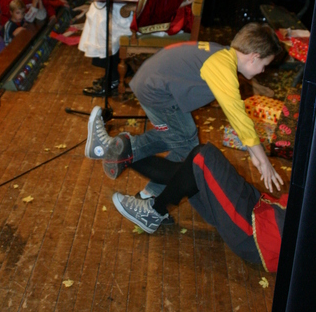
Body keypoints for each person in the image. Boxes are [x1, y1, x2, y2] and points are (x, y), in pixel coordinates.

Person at [86, 23, 284, 194]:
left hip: (152, 83)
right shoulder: (223, 67)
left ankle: (123, 150)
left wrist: (253, 153)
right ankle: (149, 194)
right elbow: (238, 116)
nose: (263, 70)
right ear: (254, 57)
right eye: (264, 65)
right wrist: (263, 160)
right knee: (188, 149)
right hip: (157, 92)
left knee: (180, 135)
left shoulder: (222, 54)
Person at [111, 142, 288, 272]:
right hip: (262, 211)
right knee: (193, 170)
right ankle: (122, 158)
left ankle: (154, 212)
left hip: (257, 235)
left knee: (204, 156)